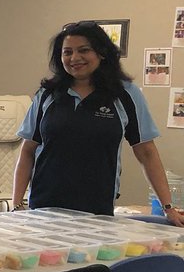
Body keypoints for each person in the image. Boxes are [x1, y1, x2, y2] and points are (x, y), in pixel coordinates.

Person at [13, 21, 184, 225]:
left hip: (97, 212)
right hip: (43, 210)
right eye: (67, 52)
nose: (74, 58)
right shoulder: (47, 95)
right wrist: (16, 206)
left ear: (101, 53)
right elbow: (27, 151)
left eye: (83, 50)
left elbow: (146, 152)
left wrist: (167, 208)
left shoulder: (126, 94)